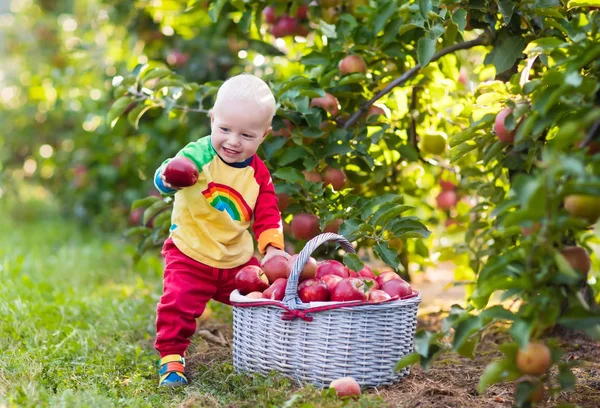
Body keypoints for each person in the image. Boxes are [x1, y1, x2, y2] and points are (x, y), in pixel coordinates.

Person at [152, 73, 289, 387]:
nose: (233, 141)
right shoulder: (199, 156)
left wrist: (272, 249)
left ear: (264, 135)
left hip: (236, 260)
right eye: (224, 129)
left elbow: (268, 214)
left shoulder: (258, 174)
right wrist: (169, 177)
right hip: (191, 252)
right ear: (212, 119)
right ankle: (172, 360)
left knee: (263, 299)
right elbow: (169, 172)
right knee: (178, 304)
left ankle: (268, 353)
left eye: (247, 135)